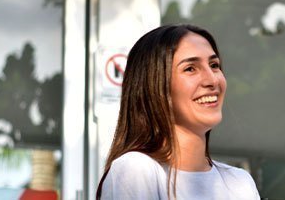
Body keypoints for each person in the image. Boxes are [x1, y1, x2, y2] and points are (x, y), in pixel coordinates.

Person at [96, 24, 260, 199]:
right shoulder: (136, 169)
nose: (212, 80)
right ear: (154, 86)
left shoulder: (240, 182)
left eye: (214, 65)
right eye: (190, 68)